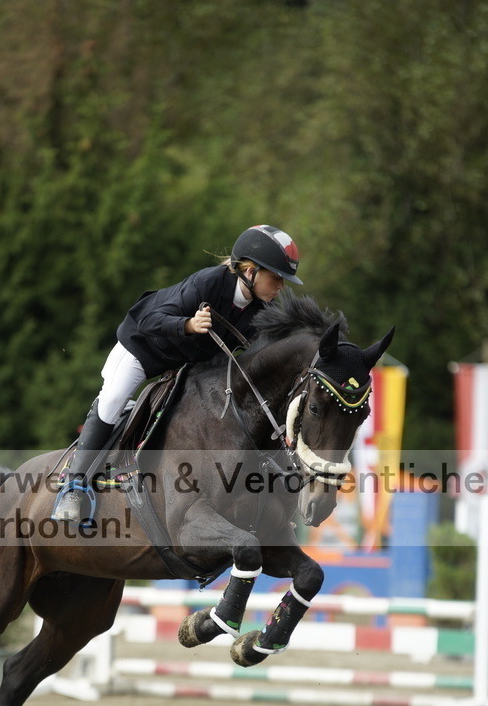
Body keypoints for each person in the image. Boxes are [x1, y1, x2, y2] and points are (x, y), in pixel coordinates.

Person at [52, 224, 303, 524]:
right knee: (112, 400)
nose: (280, 287)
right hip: (143, 348)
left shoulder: (260, 310)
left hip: (186, 366)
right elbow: (148, 319)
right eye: (276, 278)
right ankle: (73, 488)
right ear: (250, 271)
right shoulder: (209, 283)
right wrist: (187, 325)